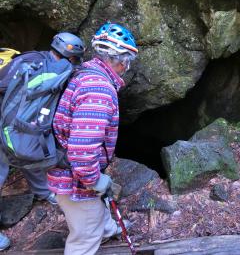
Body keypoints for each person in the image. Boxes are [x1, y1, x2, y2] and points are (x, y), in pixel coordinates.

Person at [47, 22, 138, 255]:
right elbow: (81, 150)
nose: (127, 66)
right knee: (85, 237)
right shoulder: (98, 89)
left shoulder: (85, 72)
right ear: (120, 60)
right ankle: (95, 233)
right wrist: (93, 180)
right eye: (128, 60)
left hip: (65, 166)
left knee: (96, 205)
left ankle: (106, 228)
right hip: (72, 178)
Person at [0, 33, 85, 251]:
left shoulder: (31, 59)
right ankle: (44, 192)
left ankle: (43, 191)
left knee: (29, 148)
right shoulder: (55, 71)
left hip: (10, 120)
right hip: (6, 122)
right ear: (72, 57)